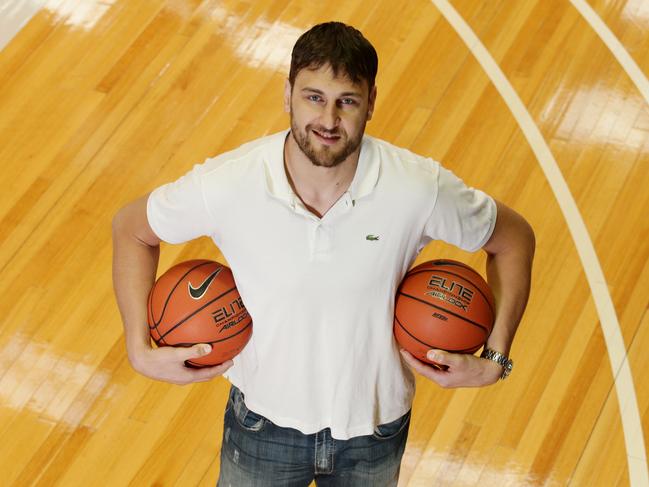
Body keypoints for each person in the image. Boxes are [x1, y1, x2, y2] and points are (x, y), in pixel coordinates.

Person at [112, 21, 535, 487]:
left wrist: (496, 360)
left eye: (346, 101)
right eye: (313, 97)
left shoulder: (417, 189)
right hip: (261, 426)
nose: (328, 120)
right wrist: (138, 349)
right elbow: (132, 230)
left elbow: (514, 239)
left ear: (371, 101)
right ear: (288, 93)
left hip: (375, 430)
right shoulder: (228, 184)